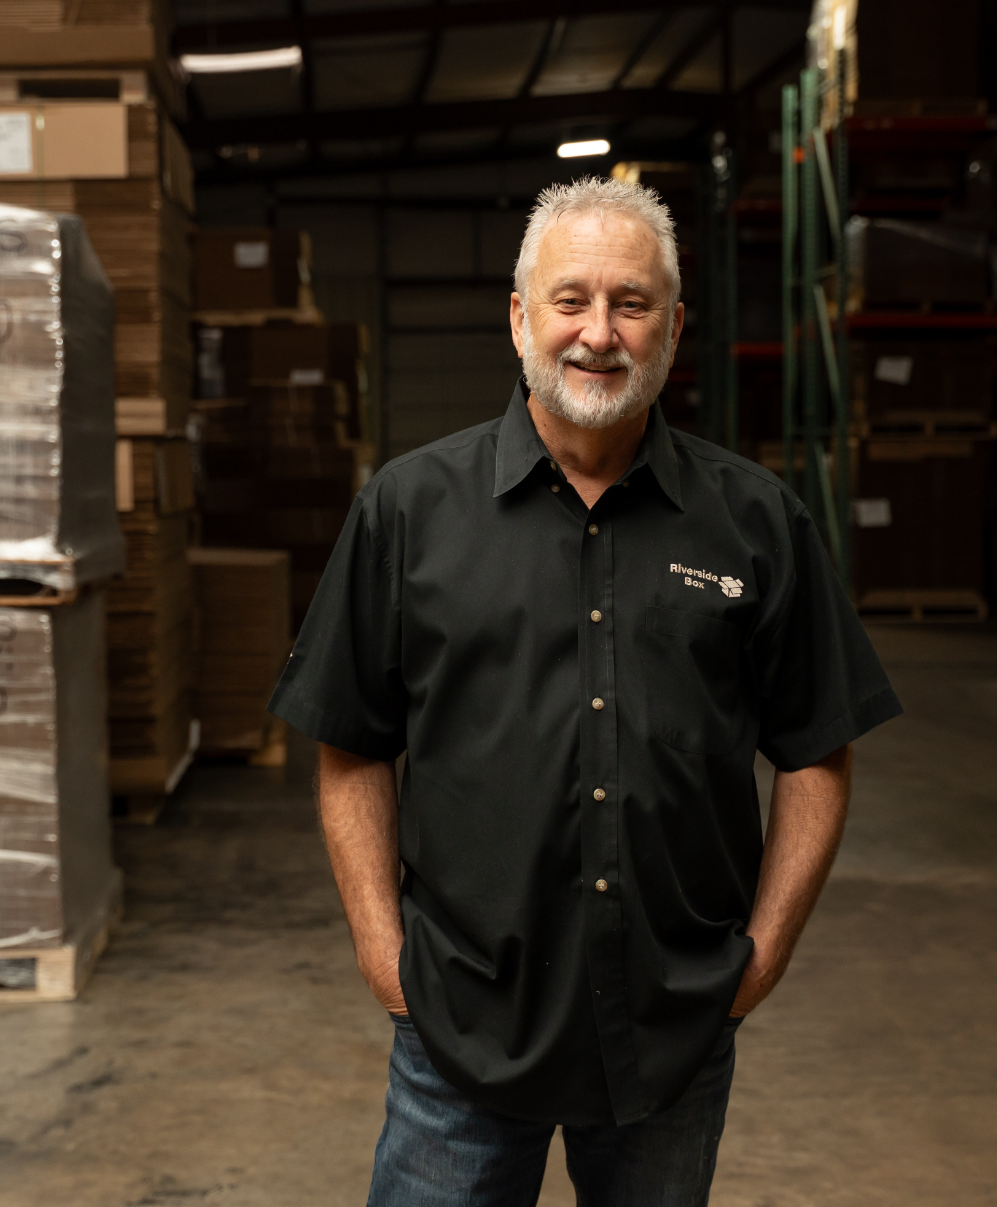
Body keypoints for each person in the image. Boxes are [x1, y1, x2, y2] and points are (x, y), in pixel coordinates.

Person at [269, 176, 901, 1207]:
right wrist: (385, 954)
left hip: (671, 1026)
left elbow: (815, 748)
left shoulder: (756, 521)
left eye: (631, 303)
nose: (598, 333)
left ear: (674, 326)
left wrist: (764, 952)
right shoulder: (408, 510)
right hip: (462, 1029)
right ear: (520, 318)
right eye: (570, 300)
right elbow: (350, 743)